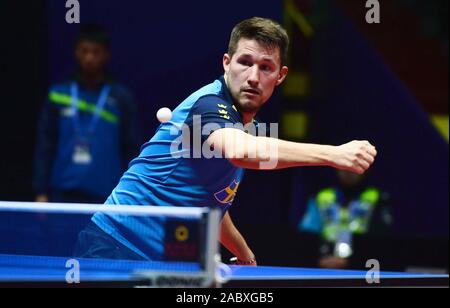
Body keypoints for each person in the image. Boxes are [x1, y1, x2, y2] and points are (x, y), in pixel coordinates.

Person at [74, 17, 377, 264]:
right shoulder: (207, 105)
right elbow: (241, 152)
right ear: (226, 63)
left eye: (266, 67)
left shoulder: (251, 129)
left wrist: (243, 252)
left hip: (160, 259)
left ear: (281, 76)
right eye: (245, 62)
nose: (253, 77)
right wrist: (332, 154)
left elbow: (214, 201)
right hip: (115, 245)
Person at [33, 24, 139, 204]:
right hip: (62, 192)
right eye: (84, 51)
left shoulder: (122, 98)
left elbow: (131, 148)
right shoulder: (58, 94)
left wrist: (131, 194)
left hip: (107, 195)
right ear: (76, 52)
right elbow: (45, 145)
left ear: (106, 55)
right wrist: (40, 190)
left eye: (96, 52)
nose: (89, 57)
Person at [298, 170, 392, 269]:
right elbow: (307, 236)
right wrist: (318, 259)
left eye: (353, 168)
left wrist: (352, 261)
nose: (348, 172)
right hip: (323, 262)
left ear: (365, 170)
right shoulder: (321, 196)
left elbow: (382, 241)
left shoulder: (378, 197)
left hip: (363, 265)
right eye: (344, 168)